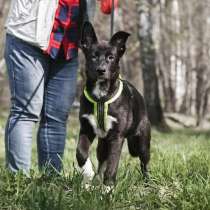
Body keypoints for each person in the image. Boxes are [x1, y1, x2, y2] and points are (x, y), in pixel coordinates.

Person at [4, 0, 90, 174]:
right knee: (25, 112)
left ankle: (51, 182)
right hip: (28, 36)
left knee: (56, 117)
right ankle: (18, 182)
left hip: (67, 43)